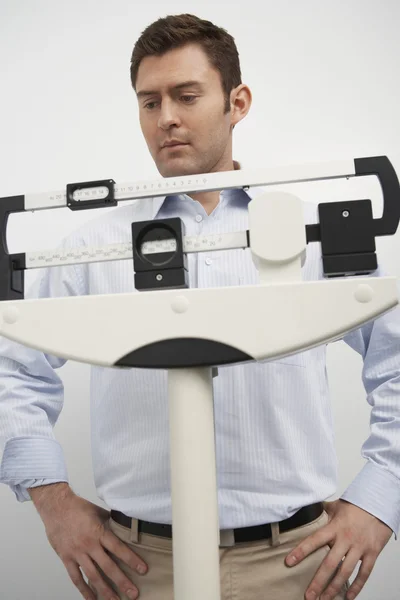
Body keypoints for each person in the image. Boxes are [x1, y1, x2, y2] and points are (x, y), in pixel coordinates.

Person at [0, 12, 398, 600]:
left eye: (186, 95)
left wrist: (377, 500)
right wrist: (52, 501)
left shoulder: (313, 232)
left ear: (237, 102)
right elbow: (15, 368)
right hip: (139, 569)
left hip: (295, 565)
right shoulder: (90, 246)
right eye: (149, 102)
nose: (167, 119)